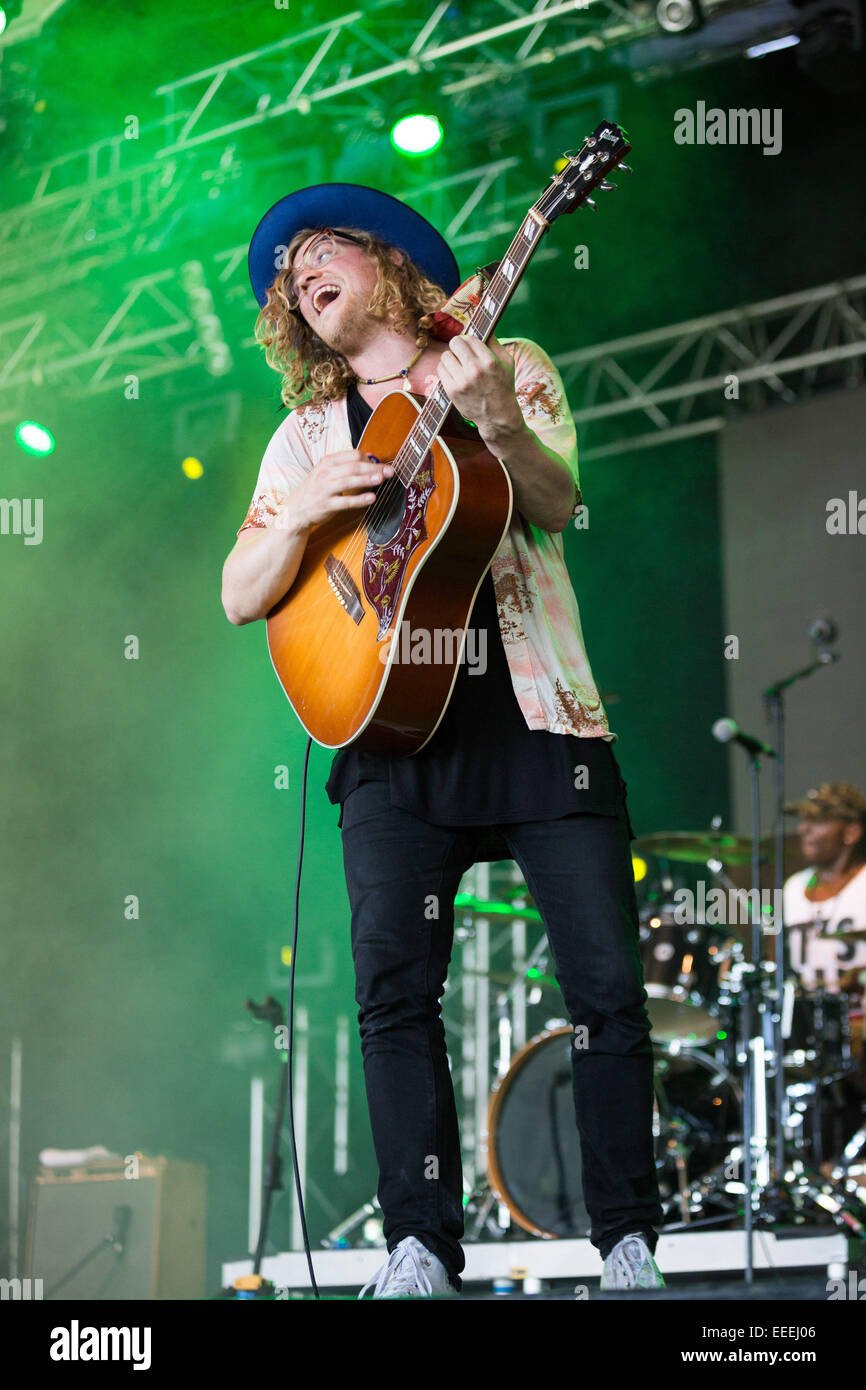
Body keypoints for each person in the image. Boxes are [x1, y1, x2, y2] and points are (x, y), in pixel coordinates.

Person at [222, 183, 664, 1298]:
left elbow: (557, 505)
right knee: (390, 996)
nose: (298, 274)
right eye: (285, 277)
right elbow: (240, 592)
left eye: (319, 251)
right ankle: (417, 1245)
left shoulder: (502, 360)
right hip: (383, 736)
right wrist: (318, 499)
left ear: (387, 262)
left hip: (536, 720)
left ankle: (625, 1243)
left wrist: (498, 422)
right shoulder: (303, 435)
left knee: (605, 984)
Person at [783, 783, 866, 1093]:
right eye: (802, 820)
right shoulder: (794, 888)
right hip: (811, 1034)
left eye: (817, 821)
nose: (803, 829)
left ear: (851, 832)